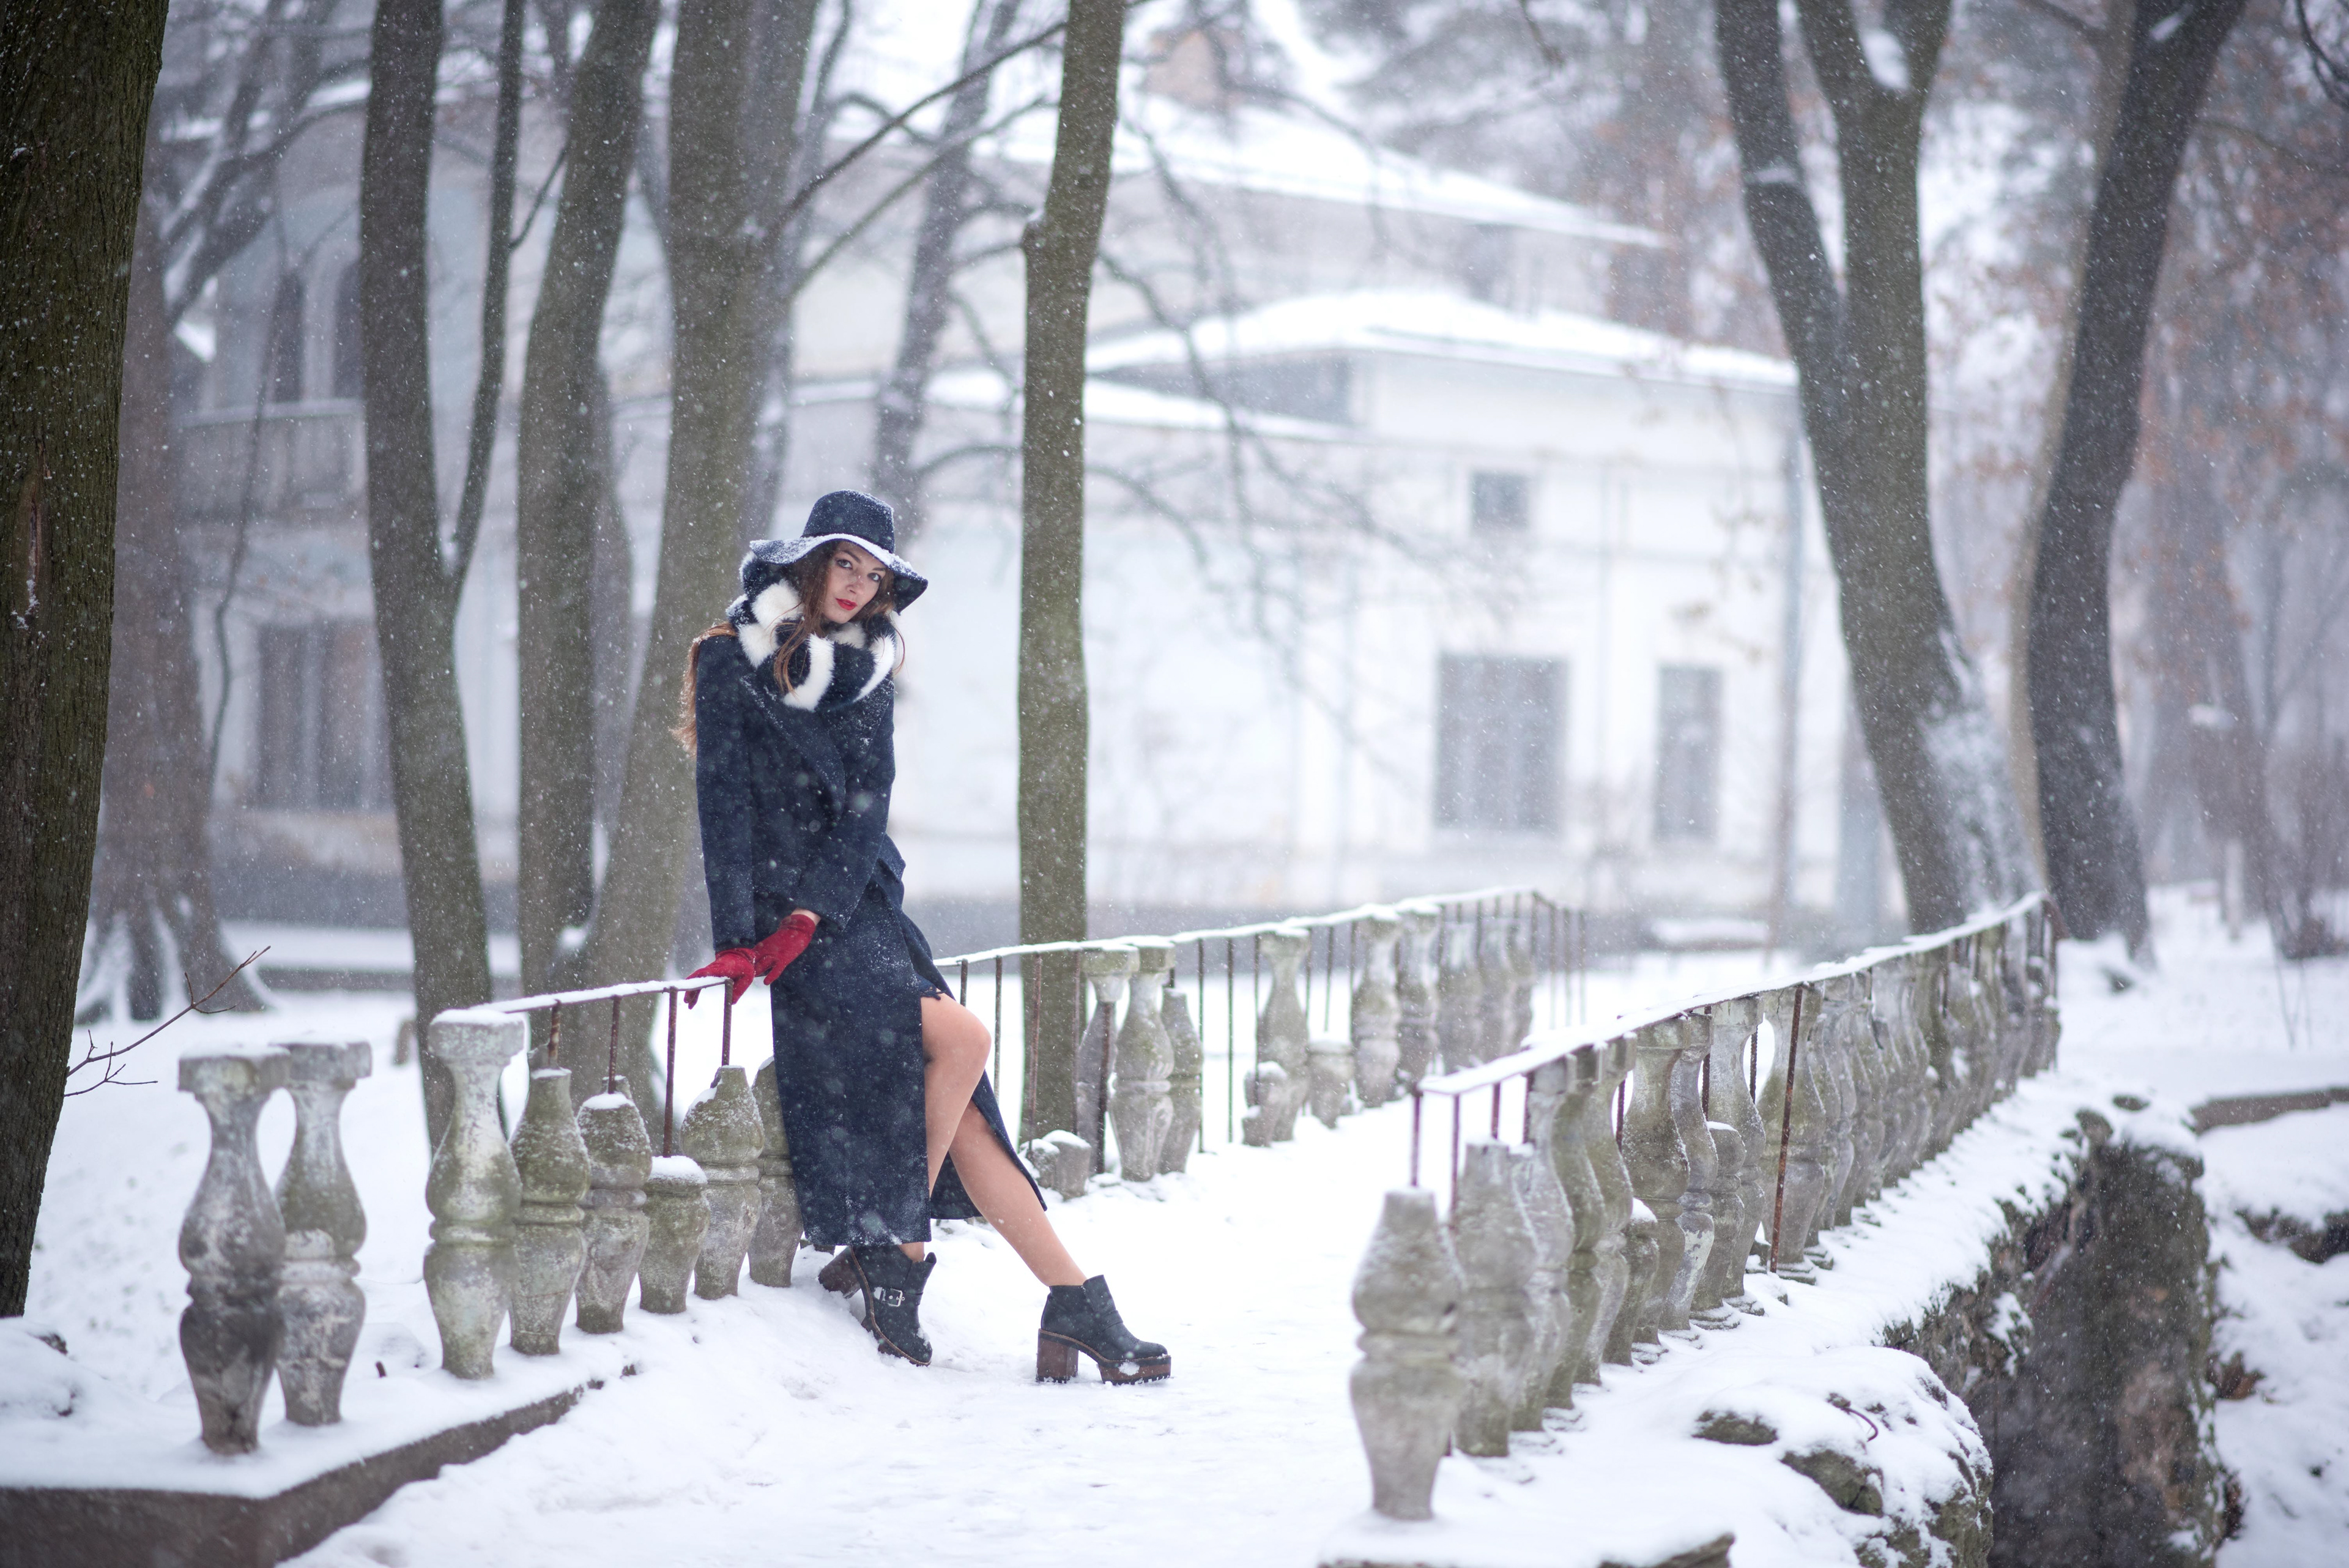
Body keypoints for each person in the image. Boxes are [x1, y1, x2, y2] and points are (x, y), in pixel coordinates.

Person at [678, 489, 1169, 1383]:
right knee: (965, 1041)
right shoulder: (729, 659)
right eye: (846, 565)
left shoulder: (869, 669)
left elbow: (868, 810)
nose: (858, 587)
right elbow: (723, 808)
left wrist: (815, 913)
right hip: (786, 921)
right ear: (811, 561)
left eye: (874, 576)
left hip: (852, 907)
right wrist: (743, 938)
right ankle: (903, 1254)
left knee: (970, 1106)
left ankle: (1062, 1296)